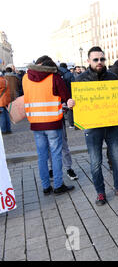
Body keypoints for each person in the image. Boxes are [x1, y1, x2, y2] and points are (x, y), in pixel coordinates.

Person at [76, 47, 118, 206]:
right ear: (88, 61)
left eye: (102, 59)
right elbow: (75, 103)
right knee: (95, 162)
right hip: (92, 127)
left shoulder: (112, 77)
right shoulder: (80, 79)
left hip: (112, 125)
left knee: (116, 159)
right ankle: (100, 193)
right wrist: (71, 103)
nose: (99, 62)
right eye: (95, 59)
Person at [23, 56, 75, 195]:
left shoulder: (26, 78)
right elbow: (66, 96)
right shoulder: (54, 77)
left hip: (35, 123)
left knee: (42, 156)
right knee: (56, 154)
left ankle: (46, 187)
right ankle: (58, 185)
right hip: (53, 123)